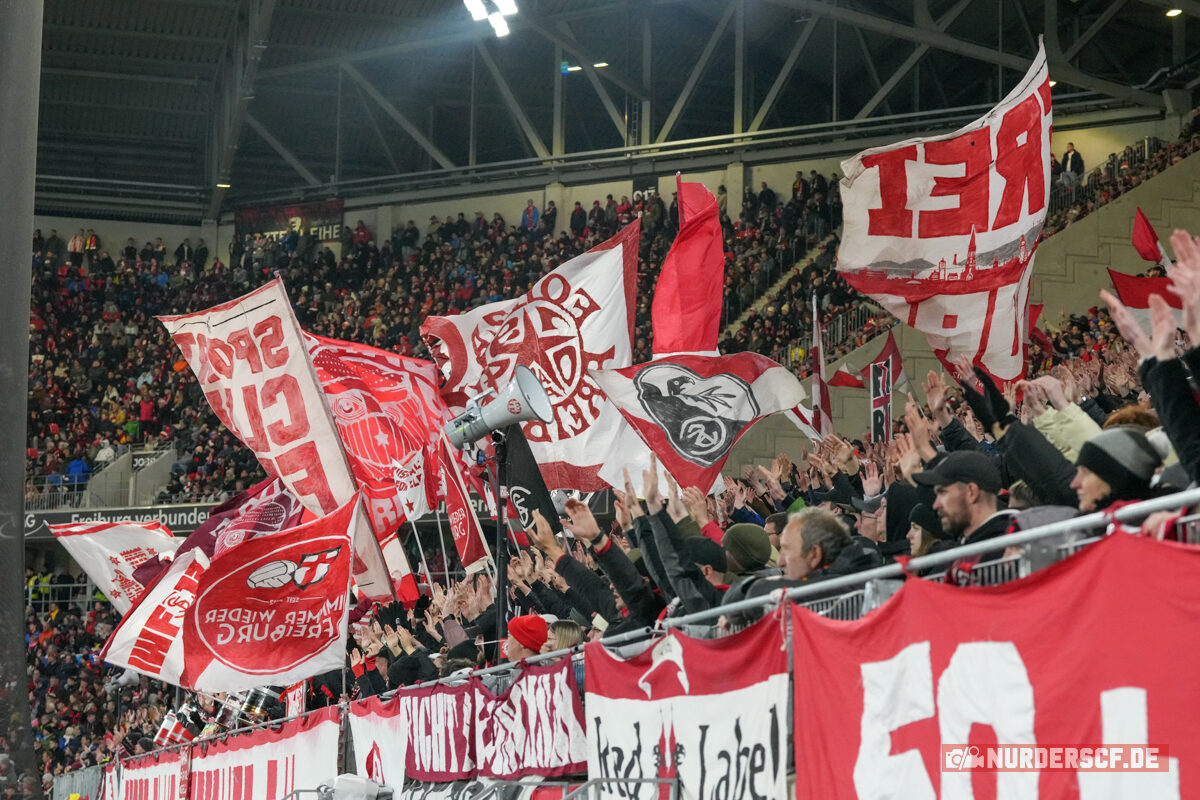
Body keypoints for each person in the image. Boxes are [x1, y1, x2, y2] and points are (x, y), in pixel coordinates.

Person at [913, 451, 1014, 547]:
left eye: (942, 492)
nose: (935, 505)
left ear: (971, 492)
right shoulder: (970, 544)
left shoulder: (1010, 547)